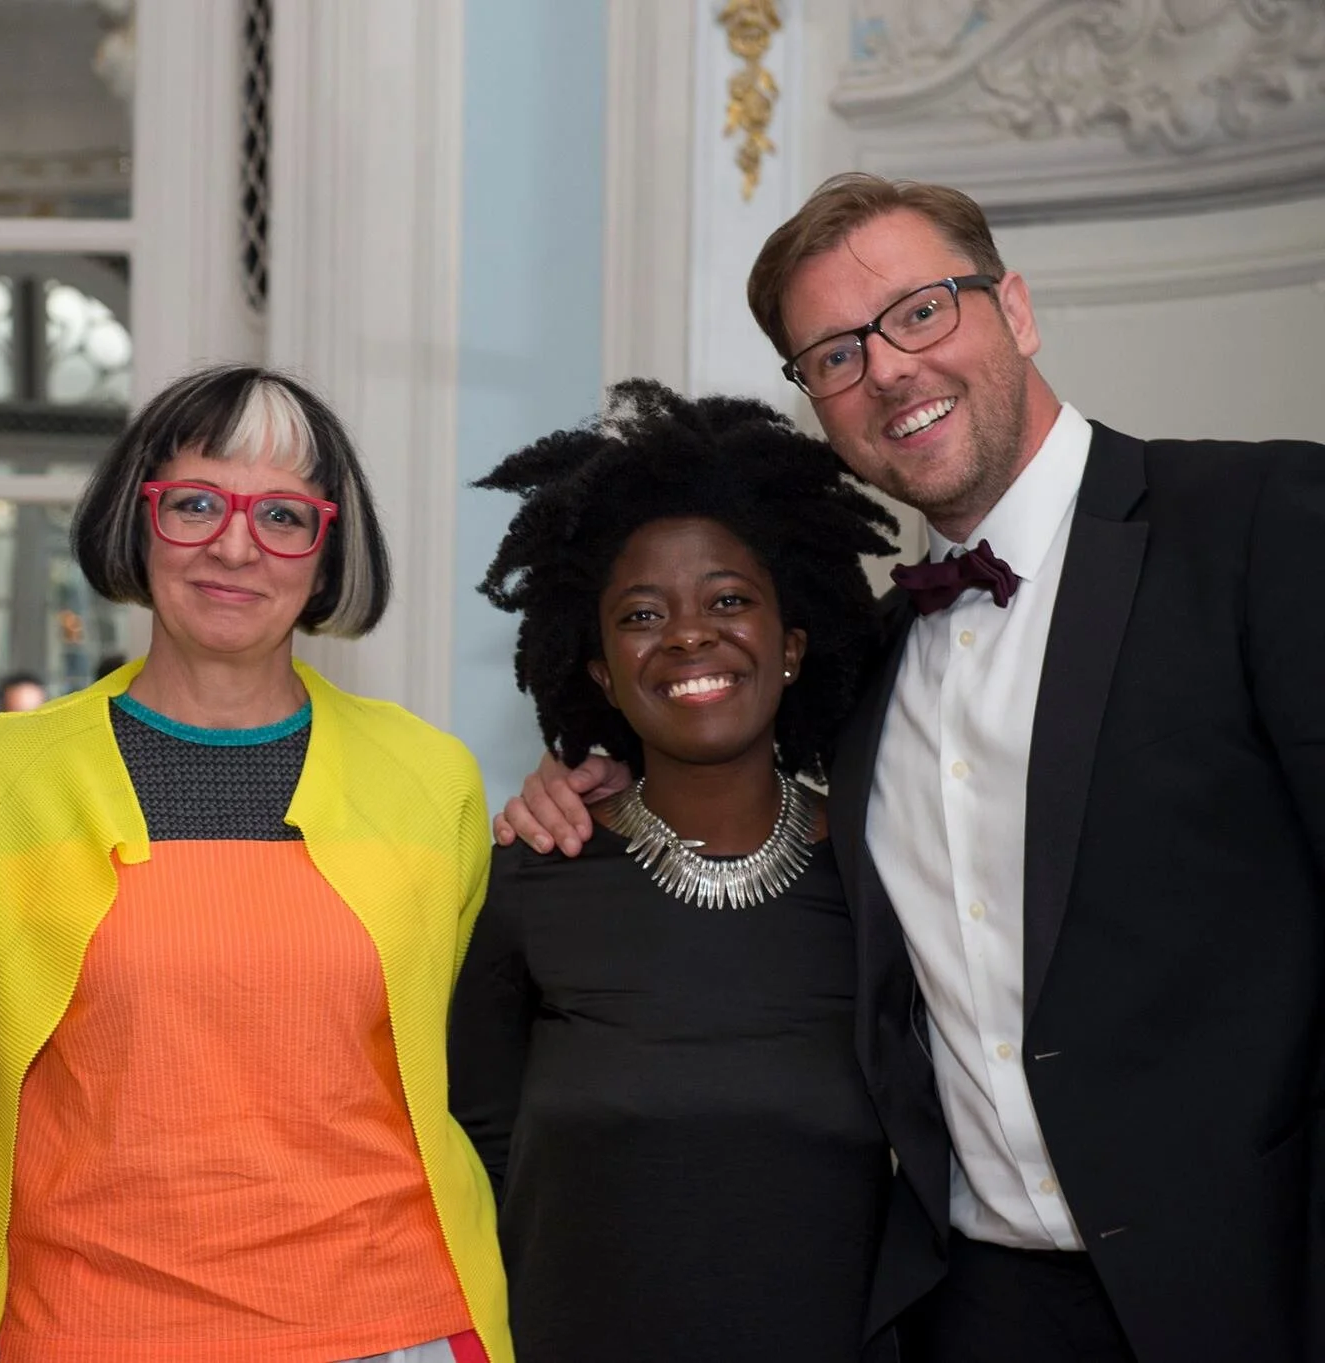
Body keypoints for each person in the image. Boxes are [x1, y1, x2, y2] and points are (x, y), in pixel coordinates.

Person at [497, 173, 1325, 1363]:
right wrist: (577, 778)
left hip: (1256, 1296)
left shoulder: (1257, 524)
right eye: (833, 354)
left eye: (919, 311)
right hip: (972, 1312)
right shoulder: (863, 674)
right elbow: (717, 779)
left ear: (1016, 310)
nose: (885, 369)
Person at [0, 364, 508, 1363]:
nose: (235, 545)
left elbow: (465, 1068)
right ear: (137, 520)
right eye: (194, 503)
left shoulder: (433, 780)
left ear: (327, 549)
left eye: (283, 515)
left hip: (392, 1328)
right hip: (83, 1332)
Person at [450, 382, 897, 1362]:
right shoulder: (530, 876)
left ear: (789, 645)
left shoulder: (883, 879)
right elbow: (471, 1164)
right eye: (641, 614)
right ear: (602, 670)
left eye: (728, 600)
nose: (689, 634)